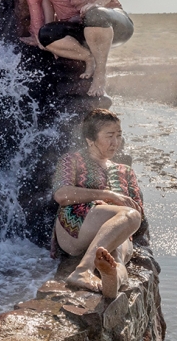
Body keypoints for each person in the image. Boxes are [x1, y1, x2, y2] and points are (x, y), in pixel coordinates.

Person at [51, 109, 143, 298]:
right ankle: (83, 271)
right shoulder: (72, 160)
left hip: (115, 230)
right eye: (109, 136)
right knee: (129, 216)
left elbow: (139, 208)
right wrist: (107, 196)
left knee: (117, 255)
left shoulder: (125, 171)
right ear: (90, 139)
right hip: (77, 228)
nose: (115, 142)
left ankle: (112, 281)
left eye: (119, 136)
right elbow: (61, 195)